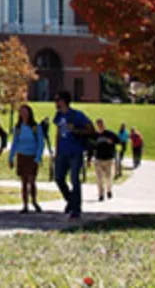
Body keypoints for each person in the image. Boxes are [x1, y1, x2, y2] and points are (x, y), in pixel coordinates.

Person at [53, 91, 94, 219]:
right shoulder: (58, 116)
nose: (56, 103)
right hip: (62, 152)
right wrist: (57, 149)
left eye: (58, 100)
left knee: (75, 179)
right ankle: (70, 200)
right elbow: (58, 132)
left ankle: (76, 208)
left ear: (64, 101)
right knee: (59, 178)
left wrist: (75, 129)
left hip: (75, 151)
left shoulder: (77, 115)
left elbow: (91, 129)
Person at [8, 104, 44, 213]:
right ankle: (25, 205)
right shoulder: (18, 128)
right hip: (21, 156)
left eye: (25, 111)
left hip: (32, 156)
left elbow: (40, 143)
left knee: (32, 180)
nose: (23, 114)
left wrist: (38, 157)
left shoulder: (35, 127)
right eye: (21, 112)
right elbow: (15, 143)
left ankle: (34, 201)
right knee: (23, 182)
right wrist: (11, 157)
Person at [87, 119, 121, 202]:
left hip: (109, 159)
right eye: (98, 125)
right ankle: (101, 194)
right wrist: (89, 159)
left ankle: (109, 190)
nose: (100, 126)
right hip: (98, 159)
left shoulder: (110, 134)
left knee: (109, 177)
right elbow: (91, 148)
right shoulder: (95, 136)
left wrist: (112, 142)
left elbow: (119, 141)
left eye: (101, 124)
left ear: (104, 125)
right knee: (99, 178)